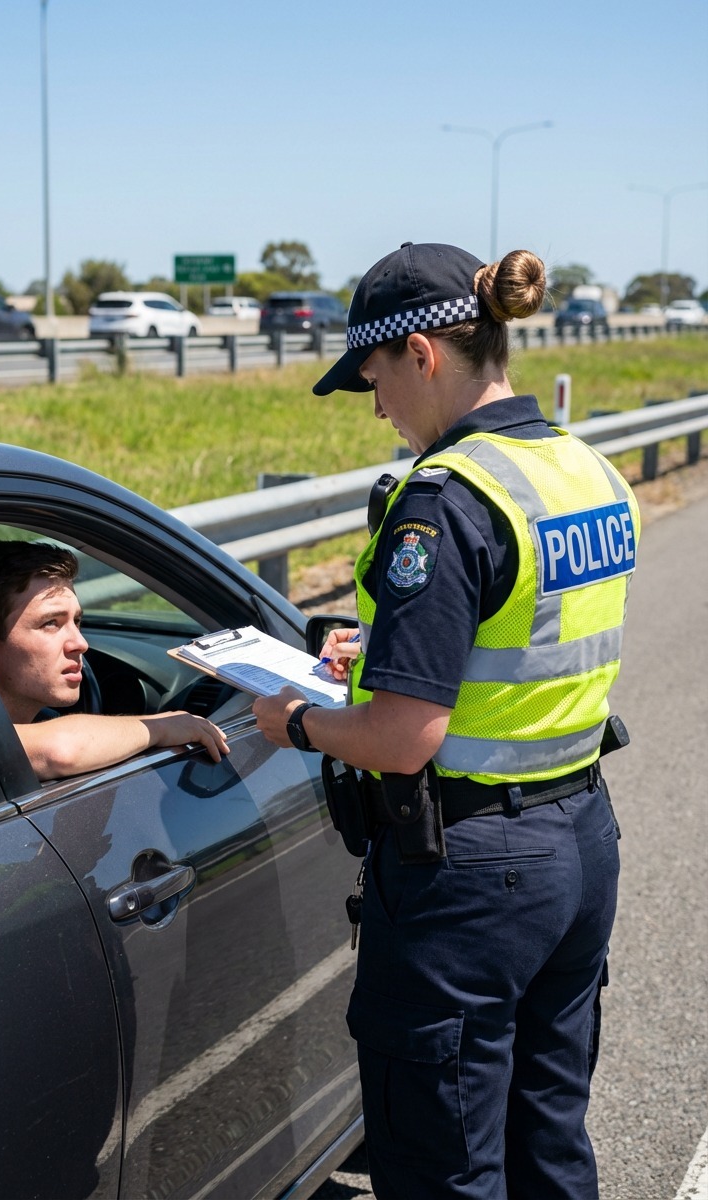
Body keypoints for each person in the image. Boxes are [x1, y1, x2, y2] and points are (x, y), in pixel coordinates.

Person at [253, 241, 639, 1198]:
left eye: (375, 378)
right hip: (580, 839)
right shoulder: (584, 468)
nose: (376, 406)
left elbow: (401, 738)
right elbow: (528, 637)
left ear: (422, 353)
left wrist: (296, 721)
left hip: (471, 874)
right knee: (547, 1137)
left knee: (446, 1164)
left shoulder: (447, 501)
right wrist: (384, 658)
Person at [0, 540, 228, 780]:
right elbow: (60, 751)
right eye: (50, 623)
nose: (80, 643)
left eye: (76, 621)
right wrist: (161, 727)